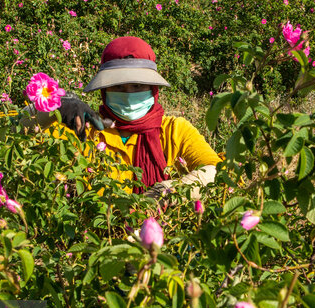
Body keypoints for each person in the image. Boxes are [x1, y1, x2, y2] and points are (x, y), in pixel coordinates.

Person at [22, 36, 221, 200]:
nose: (127, 94)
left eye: (137, 86)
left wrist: (168, 192)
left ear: (153, 89)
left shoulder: (175, 131)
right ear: (105, 90)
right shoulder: (86, 128)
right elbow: (12, 130)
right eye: (118, 86)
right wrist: (55, 106)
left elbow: (215, 172)